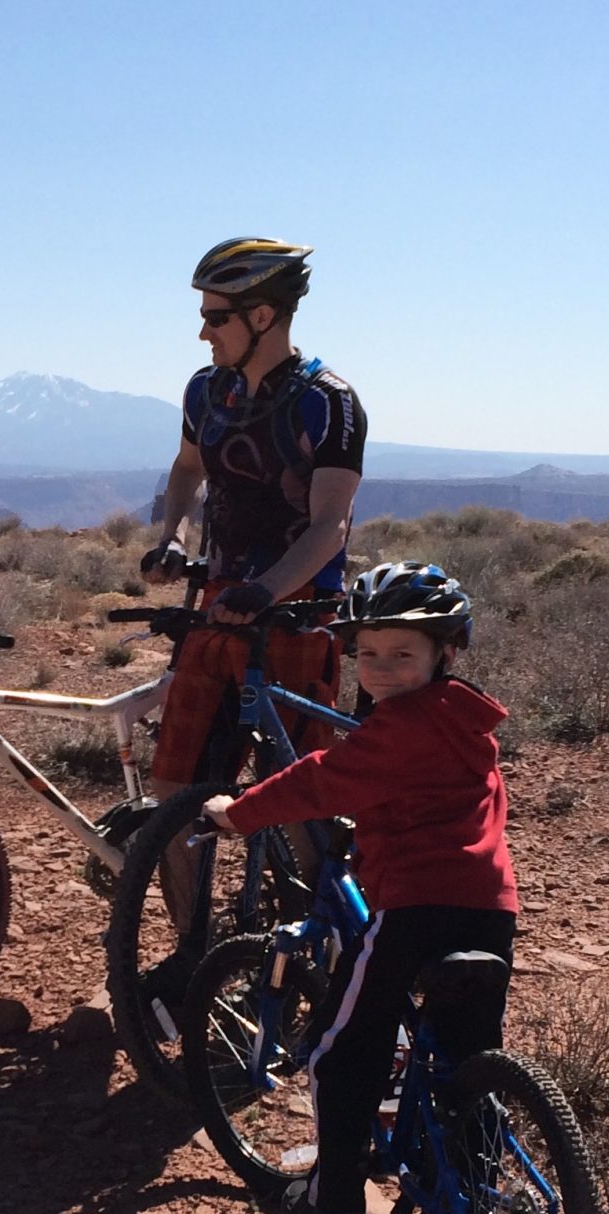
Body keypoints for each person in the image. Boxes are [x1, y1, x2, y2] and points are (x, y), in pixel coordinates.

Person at [200, 562, 516, 1214]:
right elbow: (428, 799)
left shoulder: (400, 725)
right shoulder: (469, 726)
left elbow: (324, 779)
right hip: (490, 909)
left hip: (413, 909)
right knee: (469, 1059)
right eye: (368, 653)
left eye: (402, 653)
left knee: (340, 1056)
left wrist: (242, 813)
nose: (381, 669)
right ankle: (467, 1200)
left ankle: (334, 1205)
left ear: (446, 652)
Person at [137, 236, 367, 997]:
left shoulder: (326, 403)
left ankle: (331, 958)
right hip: (215, 614)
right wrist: (169, 535)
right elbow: (186, 469)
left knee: (301, 799)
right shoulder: (207, 391)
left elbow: (329, 523)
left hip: (295, 620)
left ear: (263, 314)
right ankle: (193, 950)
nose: (204, 333)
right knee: (175, 791)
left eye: (216, 317)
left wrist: (266, 591)